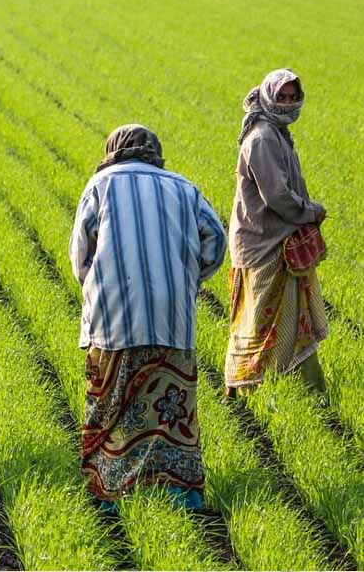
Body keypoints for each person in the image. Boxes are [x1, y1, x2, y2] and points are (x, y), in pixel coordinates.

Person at [70, 124, 226, 511]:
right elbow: (216, 240)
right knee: (169, 406)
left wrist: (97, 284)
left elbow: (80, 256)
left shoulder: (101, 184)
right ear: (154, 151)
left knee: (111, 403)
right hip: (171, 316)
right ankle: (179, 494)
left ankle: (109, 493)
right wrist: (186, 279)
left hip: (114, 316)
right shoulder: (183, 187)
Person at [225, 68, 328, 397]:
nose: (287, 103)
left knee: (289, 320)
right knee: (258, 322)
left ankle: (305, 389)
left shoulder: (276, 132)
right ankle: (241, 388)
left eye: (292, 97)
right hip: (265, 245)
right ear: (268, 95)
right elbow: (277, 197)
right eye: (281, 96)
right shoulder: (263, 138)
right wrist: (311, 212)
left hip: (276, 241)